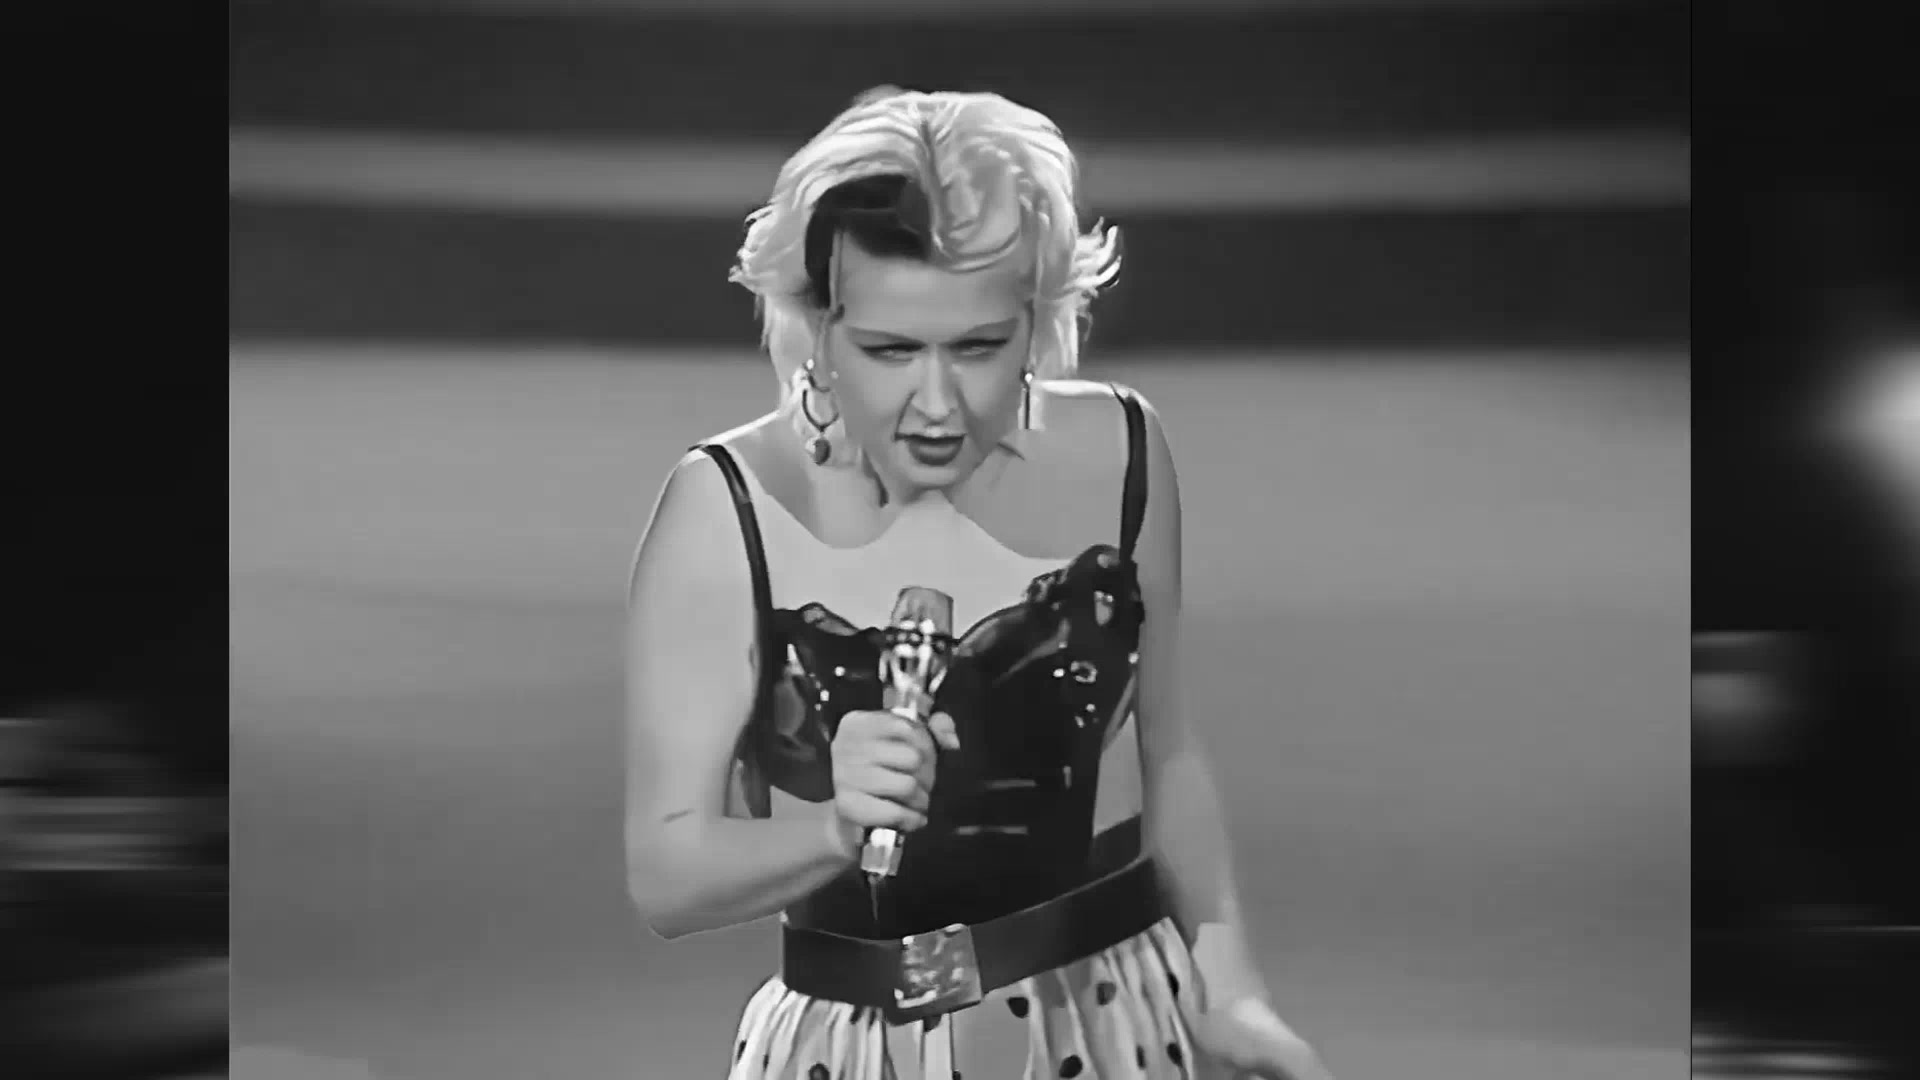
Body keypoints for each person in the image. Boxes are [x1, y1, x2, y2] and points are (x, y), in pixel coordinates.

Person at [624, 87, 1333, 1080]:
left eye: (979, 348)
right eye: (890, 351)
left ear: (1037, 323)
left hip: (1113, 1025)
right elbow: (666, 876)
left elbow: (1169, 754)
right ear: (818, 330)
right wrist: (832, 828)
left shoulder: (1123, 453)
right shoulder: (724, 508)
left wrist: (1230, 993)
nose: (937, 404)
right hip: (855, 1048)